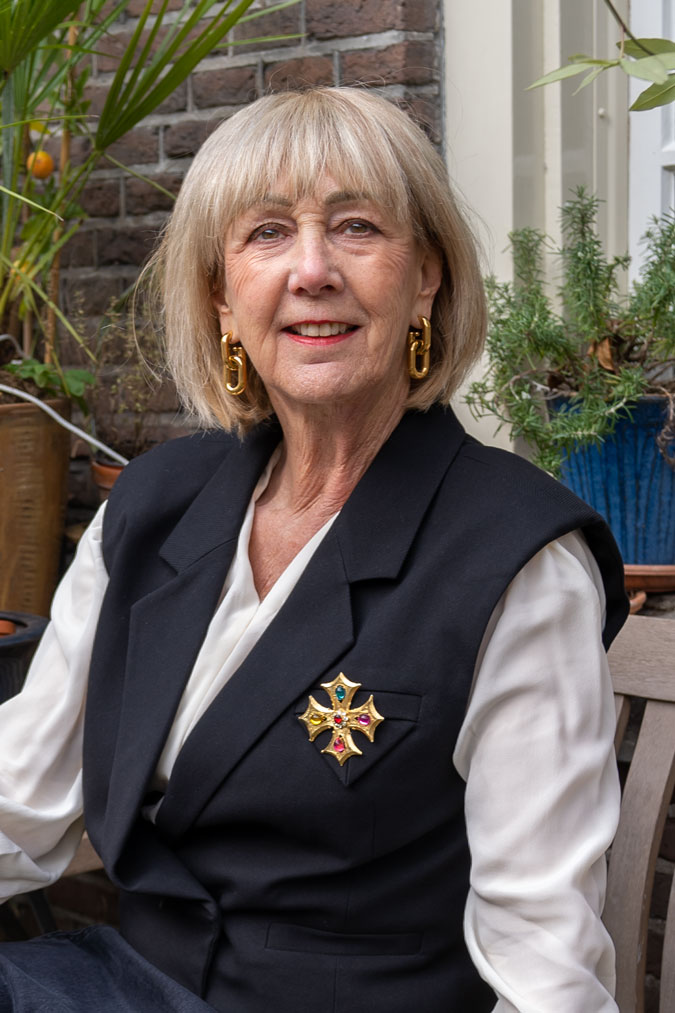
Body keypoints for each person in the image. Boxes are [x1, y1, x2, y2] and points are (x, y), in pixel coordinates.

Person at [0, 87, 628, 1012]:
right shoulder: (154, 505)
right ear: (221, 299)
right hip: (129, 986)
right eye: (265, 234)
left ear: (426, 278)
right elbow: (20, 802)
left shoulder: (515, 561)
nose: (311, 270)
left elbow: (546, 966)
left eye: (356, 226)